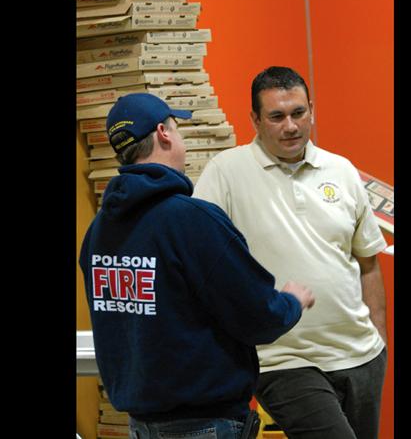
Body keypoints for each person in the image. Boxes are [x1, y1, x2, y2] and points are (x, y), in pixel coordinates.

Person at [79, 93, 315, 439]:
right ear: (163, 133)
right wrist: (291, 301)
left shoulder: (99, 231)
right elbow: (257, 317)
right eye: (177, 128)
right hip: (203, 423)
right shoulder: (192, 221)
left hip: (141, 424)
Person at [192, 66, 388, 439]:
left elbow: (368, 263)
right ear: (254, 119)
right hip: (281, 358)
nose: (291, 126)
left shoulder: (342, 171)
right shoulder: (225, 173)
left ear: (311, 110)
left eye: (298, 113)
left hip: (360, 355)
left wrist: (379, 342)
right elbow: (200, 260)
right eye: (277, 116)